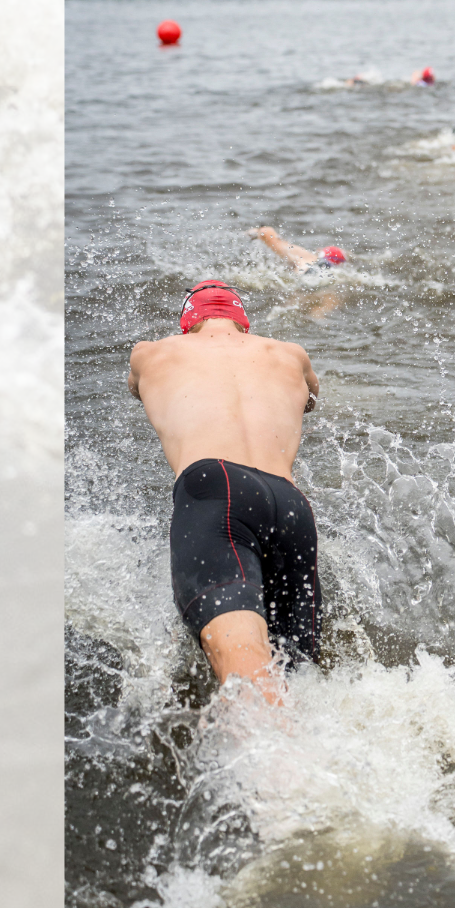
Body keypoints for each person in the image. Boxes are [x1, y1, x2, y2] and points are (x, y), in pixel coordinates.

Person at [128, 281, 324, 699]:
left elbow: (137, 387)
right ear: (243, 324)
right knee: (304, 682)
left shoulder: (151, 353)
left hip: (217, 491)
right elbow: (311, 395)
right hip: (290, 505)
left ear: (188, 324)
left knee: (242, 668)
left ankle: (275, 763)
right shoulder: (289, 354)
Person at [253, 226, 348, 273]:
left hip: (308, 273)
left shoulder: (308, 256)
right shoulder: (332, 271)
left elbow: (266, 233)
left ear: (320, 251)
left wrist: (256, 231)